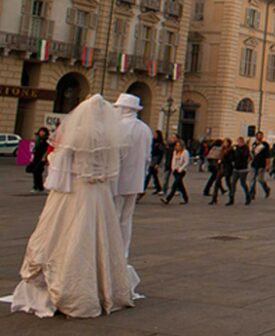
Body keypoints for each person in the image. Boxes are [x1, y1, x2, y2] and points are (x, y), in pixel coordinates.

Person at [11, 95, 135, 318]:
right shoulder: (109, 135)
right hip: (100, 193)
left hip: (76, 190)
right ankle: (102, 286)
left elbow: (60, 163)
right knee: (100, 237)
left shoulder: (77, 133)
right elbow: (113, 167)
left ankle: (71, 288)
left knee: (67, 235)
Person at [112, 93, 152, 263]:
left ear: (124, 108)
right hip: (136, 180)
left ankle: (113, 249)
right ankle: (124, 251)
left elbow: (115, 154)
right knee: (127, 218)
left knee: (114, 216)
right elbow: (148, 157)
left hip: (118, 179)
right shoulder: (145, 129)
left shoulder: (118, 127)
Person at [161, 140, 190, 205]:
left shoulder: (185, 152)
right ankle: (186, 198)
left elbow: (186, 162)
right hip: (175, 170)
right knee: (180, 185)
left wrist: (181, 168)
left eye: (179, 145)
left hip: (182, 171)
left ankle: (167, 199)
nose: (177, 147)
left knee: (175, 185)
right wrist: (173, 168)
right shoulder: (175, 152)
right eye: (176, 145)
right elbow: (173, 160)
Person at [226, 136, 252, 206]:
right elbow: (232, 156)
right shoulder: (235, 148)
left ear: (242, 142)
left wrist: (237, 150)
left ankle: (248, 197)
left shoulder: (245, 148)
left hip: (243, 169)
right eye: (238, 141)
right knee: (233, 183)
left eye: (240, 142)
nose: (239, 143)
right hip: (236, 168)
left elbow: (244, 156)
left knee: (243, 183)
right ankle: (231, 199)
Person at [249, 132, 271, 199]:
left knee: (260, 179)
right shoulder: (254, 144)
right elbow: (252, 154)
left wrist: (267, 165)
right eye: (258, 136)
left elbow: (267, 156)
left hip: (261, 164)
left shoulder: (265, 145)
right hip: (254, 164)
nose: (259, 137)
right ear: (256, 136)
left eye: (261, 136)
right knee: (252, 179)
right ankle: (252, 193)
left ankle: (266, 189)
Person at [28, 127, 51, 193]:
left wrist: (45, 157)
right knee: (35, 172)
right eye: (41, 131)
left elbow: (47, 149)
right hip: (36, 157)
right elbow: (35, 148)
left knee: (37, 171)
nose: (41, 133)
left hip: (42, 158)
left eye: (43, 132)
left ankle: (38, 187)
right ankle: (37, 186)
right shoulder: (38, 139)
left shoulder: (46, 140)